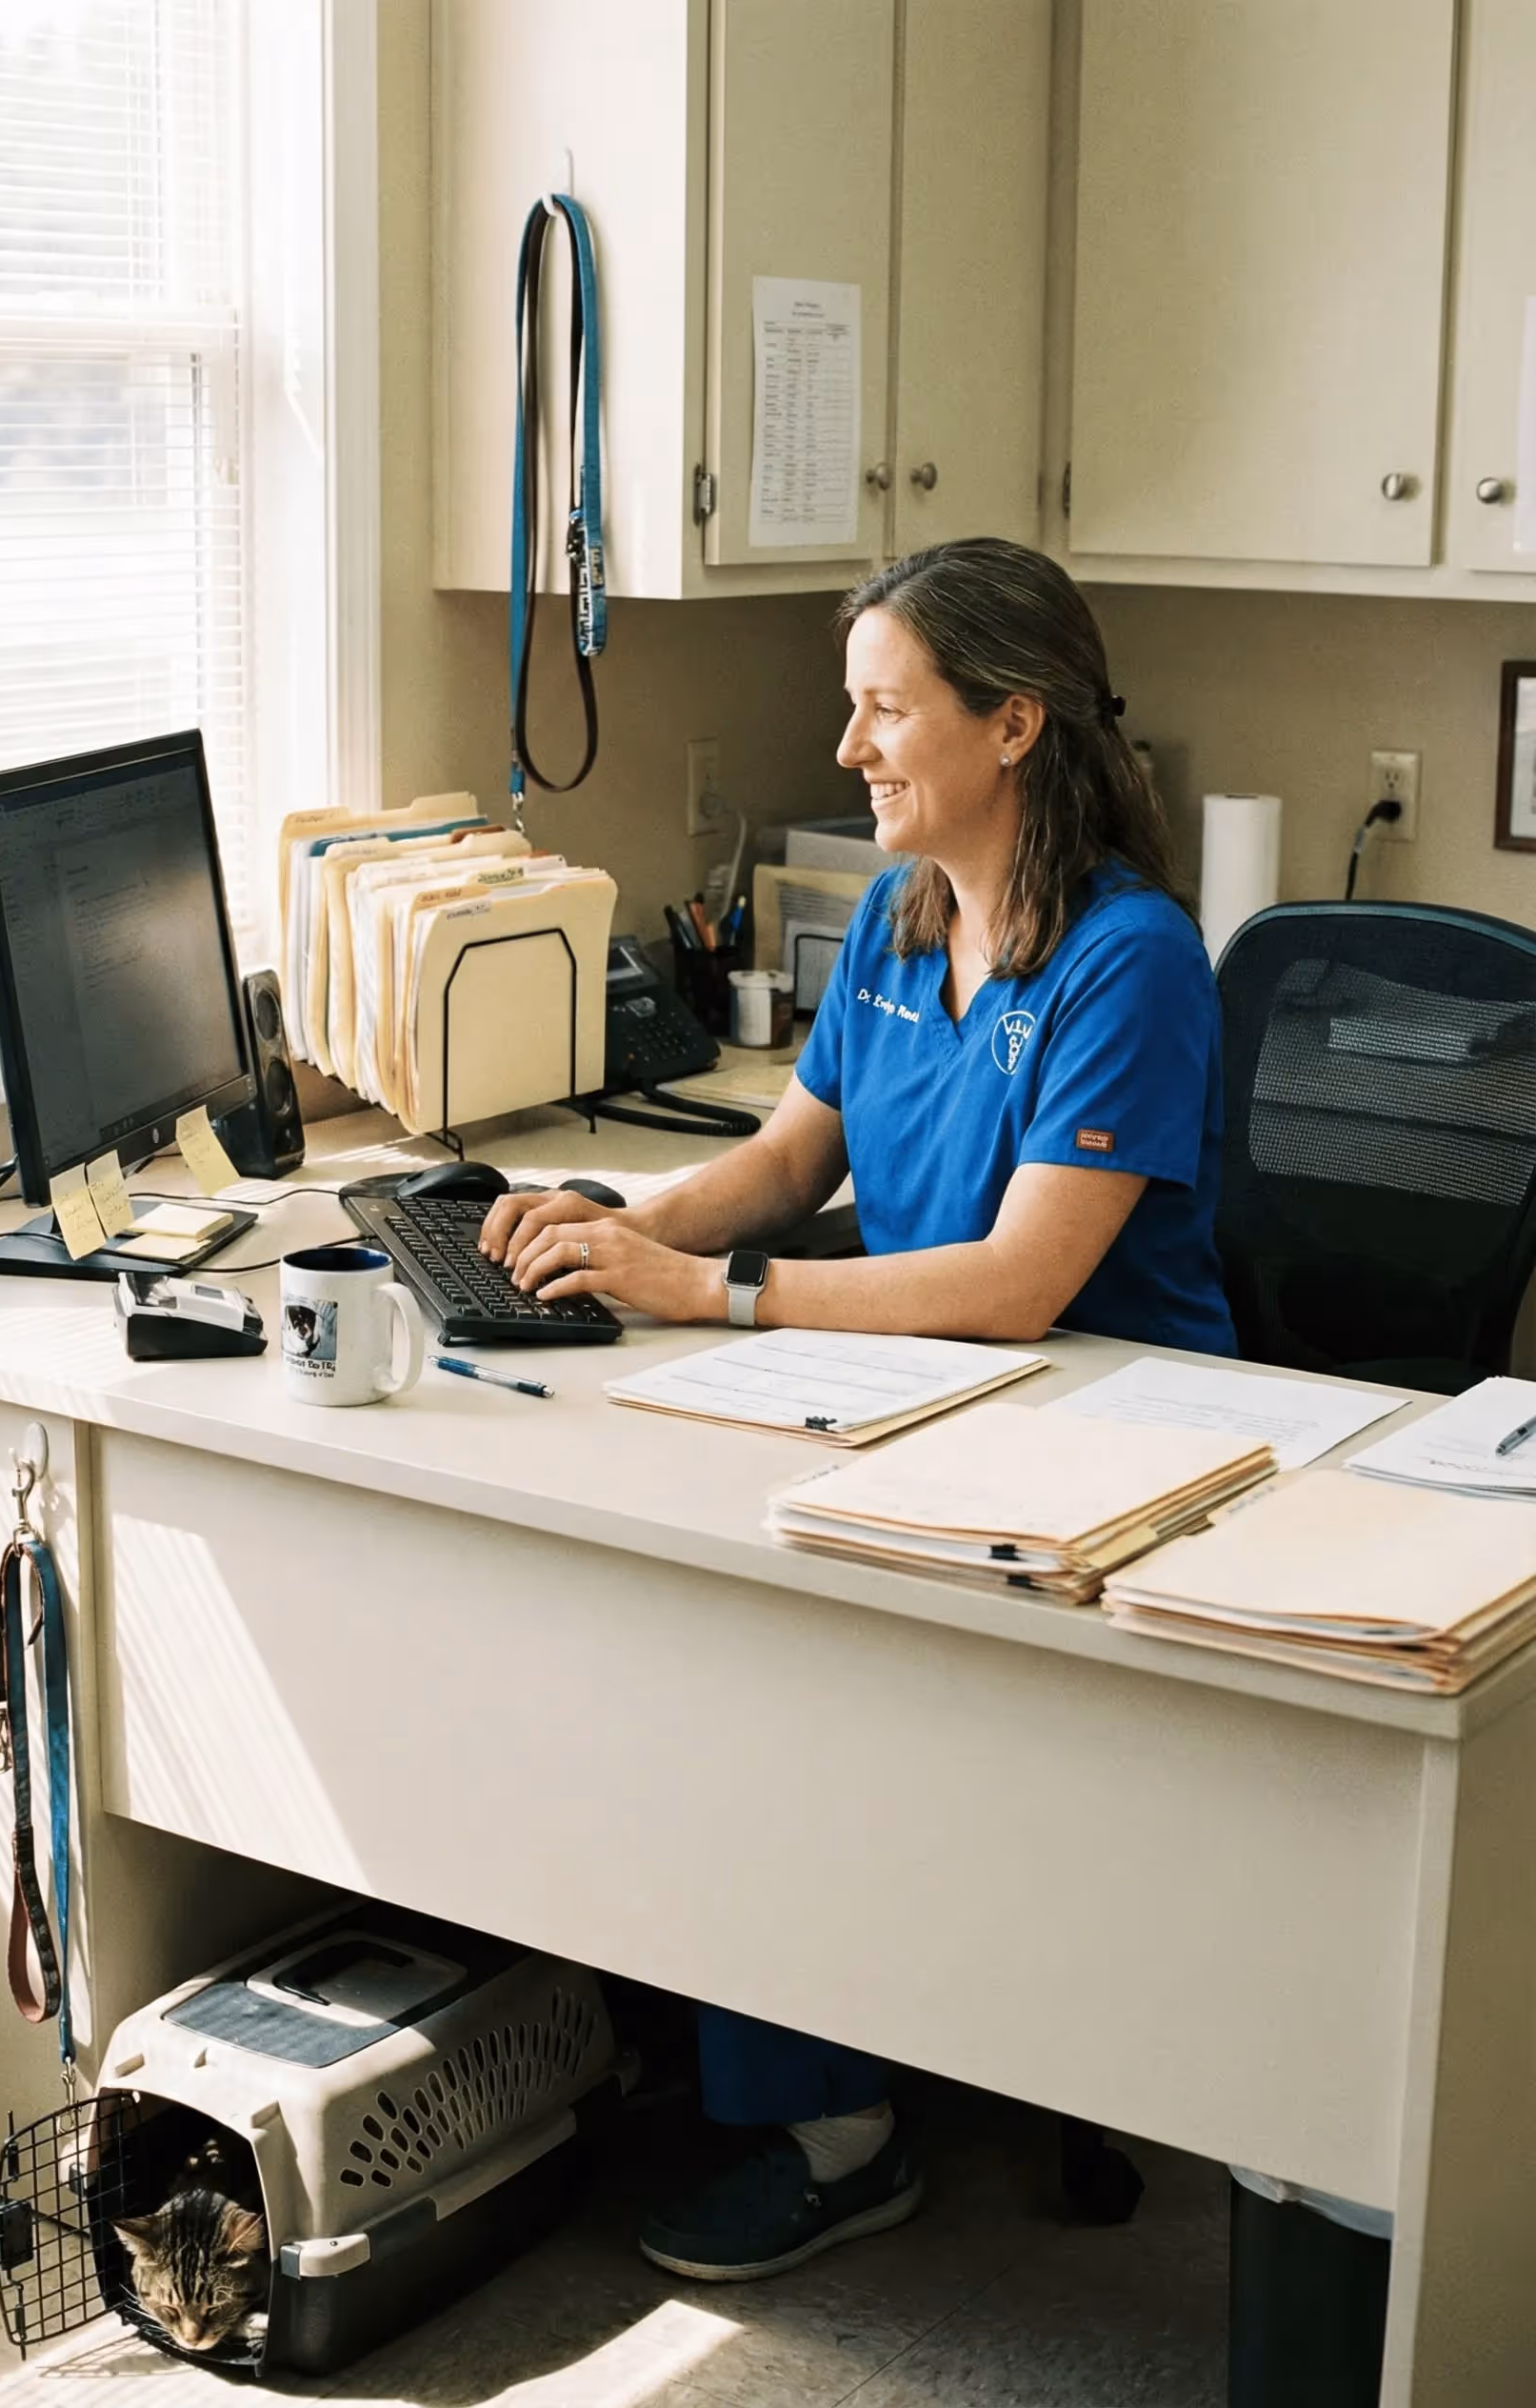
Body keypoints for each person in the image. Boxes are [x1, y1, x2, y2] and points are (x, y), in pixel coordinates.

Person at [477, 534, 1236, 2281]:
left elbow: (1018, 1283)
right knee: (678, 1609)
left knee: (768, 1681)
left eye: (886, 709)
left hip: (1102, 1444)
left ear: (1016, 724)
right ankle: (777, 2029)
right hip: (899, 1408)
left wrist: (713, 1296)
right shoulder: (904, 922)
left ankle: (835, 2130)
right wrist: (622, 1228)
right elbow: (783, 1160)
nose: (850, 748)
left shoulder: (1132, 961)